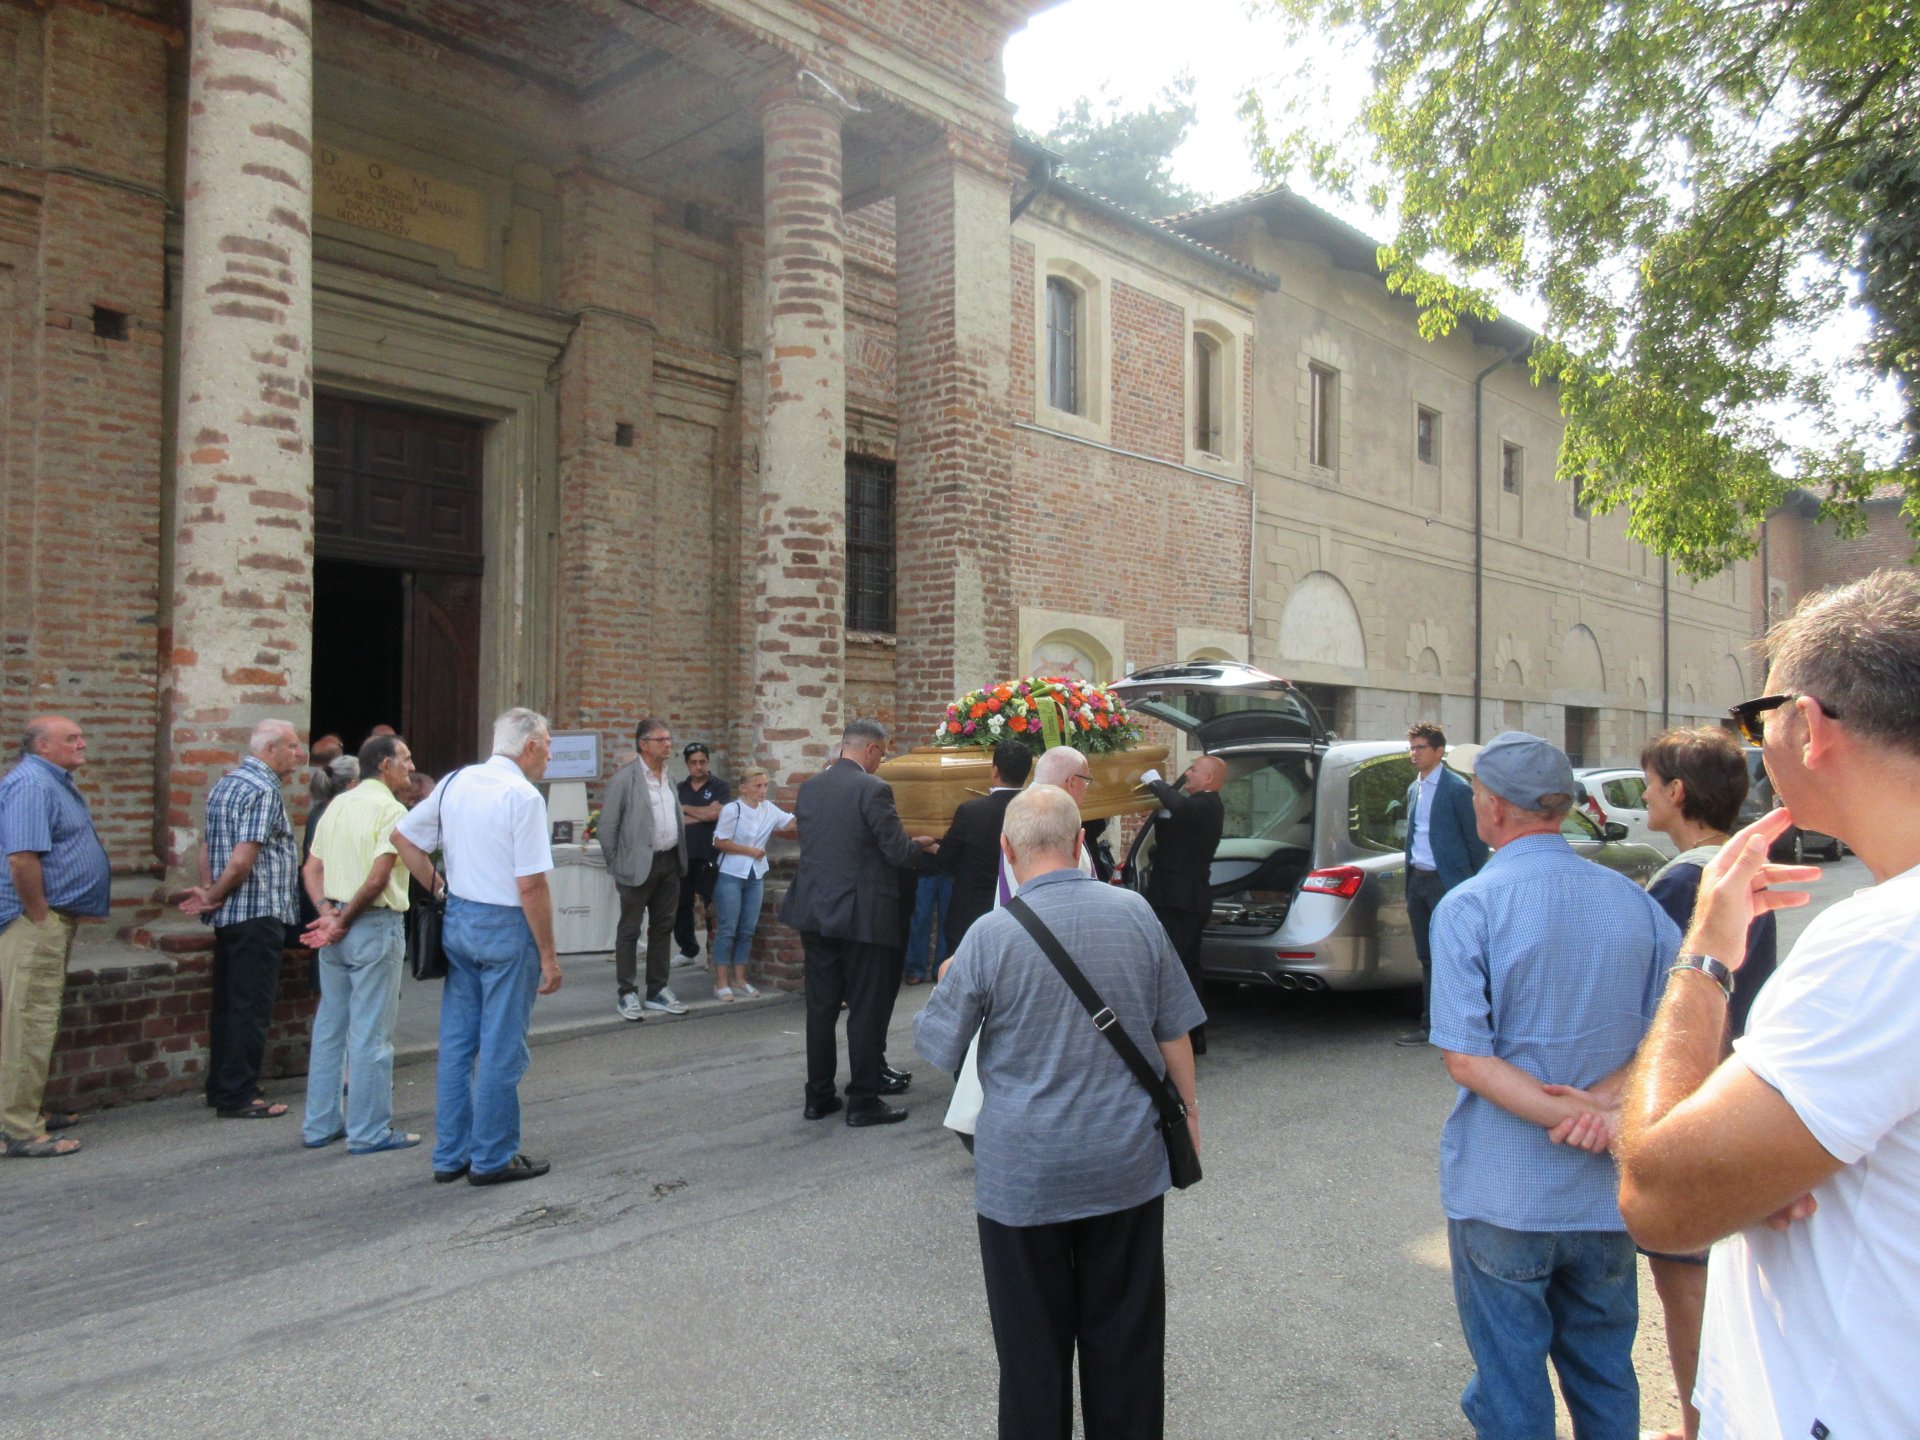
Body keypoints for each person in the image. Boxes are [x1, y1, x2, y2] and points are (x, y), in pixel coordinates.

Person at [1616, 569, 1920, 1439]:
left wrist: (1706, 954)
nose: (1755, 747)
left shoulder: (1886, 943)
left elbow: (1660, 1193)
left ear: (1811, 727)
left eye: (1759, 719)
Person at [912, 784, 1205, 1440]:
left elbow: (938, 1045)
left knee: (1031, 1357)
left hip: (1024, 1177)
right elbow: (1173, 1032)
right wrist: (1188, 1116)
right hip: (1126, 1163)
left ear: (1006, 852)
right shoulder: (1135, 914)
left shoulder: (989, 935)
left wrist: (949, 973)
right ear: (1079, 844)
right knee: (1127, 1341)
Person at [1428, 730, 1679, 1440]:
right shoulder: (1636, 904)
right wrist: (1602, 1110)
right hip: (1603, 1195)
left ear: (1495, 810)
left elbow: (1468, 1058)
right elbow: (1674, 1030)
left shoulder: (1471, 907)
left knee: (1511, 1391)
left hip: (1503, 1192)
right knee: (1604, 1377)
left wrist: (1561, 1113)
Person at [1630, 725, 1777, 1440]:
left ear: (1677, 792)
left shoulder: (1688, 877)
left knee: (1682, 1279)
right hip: (1734, 1075)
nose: (1647, 795)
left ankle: (1698, 1425)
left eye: (1652, 783)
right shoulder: (1737, 863)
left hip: (1694, 1085)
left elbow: (1654, 992)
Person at [394, 708, 562, 1186]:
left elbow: (403, 837)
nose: (550, 753)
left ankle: (451, 1154)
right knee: (501, 1048)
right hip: (506, 923)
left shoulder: (454, 782)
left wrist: (438, 887)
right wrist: (549, 955)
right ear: (528, 746)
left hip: (462, 917)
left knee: (458, 1044)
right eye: (547, 744)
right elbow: (531, 885)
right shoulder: (523, 796)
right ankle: (492, 1156)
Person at [777, 718, 934, 1126]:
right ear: (869, 750)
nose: (880, 762)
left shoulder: (810, 788)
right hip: (862, 914)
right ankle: (863, 1101)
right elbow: (896, 852)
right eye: (881, 754)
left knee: (822, 1008)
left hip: (814, 909)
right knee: (865, 1008)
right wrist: (920, 848)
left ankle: (819, 1097)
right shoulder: (873, 788)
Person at [297, 734, 434, 1155]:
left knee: (330, 1028)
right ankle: (369, 1130)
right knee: (372, 1033)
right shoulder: (390, 809)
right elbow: (377, 880)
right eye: (406, 759)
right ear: (385, 764)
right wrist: (342, 920)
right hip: (371, 923)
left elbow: (312, 867)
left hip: (336, 920)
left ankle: (320, 1123)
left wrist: (327, 912)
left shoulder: (339, 803)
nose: (411, 768)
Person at [179, 719, 307, 1120]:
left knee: (229, 1005)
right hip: (256, 913)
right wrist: (212, 895)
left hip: (232, 915)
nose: (299, 754)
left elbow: (207, 845)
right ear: (269, 750)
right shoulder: (263, 788)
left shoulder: (226, 783)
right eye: (291, 746)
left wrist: (208, 892)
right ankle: (239, 1094)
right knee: (250, 1006)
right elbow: (241, 861)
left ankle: (223, 1085)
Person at [0, 717, 111, 1158]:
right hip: (34, 922)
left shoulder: (50, 781)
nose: (82, 743)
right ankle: (18, 1129)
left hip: (46, 920)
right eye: (72, 738)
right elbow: (22, 858)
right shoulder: (33, 784)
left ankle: (23, 1111)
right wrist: (41, 915)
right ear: (42, 746)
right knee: (28, 1020)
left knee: (29, 1018)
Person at [1396, 721, 1488, 1047]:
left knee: (1458, 955)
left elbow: (1476, 842)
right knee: (1427, 956)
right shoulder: (1414, 788)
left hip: (1447, 883)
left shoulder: (1456, 789)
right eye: (1412, 747)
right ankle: (1431, 1025)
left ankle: (1469, 1025)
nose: (1414, 754)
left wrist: (1473, 885)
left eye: (1421, 748)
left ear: (1438, 751)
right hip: (1417, 881)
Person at [599, 717, 689, 1020]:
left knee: (663, 928)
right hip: (636, 865)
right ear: (643, 744)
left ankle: (657, 989)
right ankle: (626, 992)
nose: (668, 745)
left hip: (668, 861)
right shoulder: (626, 779)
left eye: (668, 740)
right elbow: (607, 827)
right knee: (629, 930)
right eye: (661, 740)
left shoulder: (669, 777)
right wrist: (617, 865)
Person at [1140, 753, 1225, 1056]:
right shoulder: (1195, 809)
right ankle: (1193, 1036)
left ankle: (1170, 1037)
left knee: (1168, 969)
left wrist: (1155, 783)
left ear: (1209, 780)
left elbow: (1183, 809)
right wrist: (1161, 814)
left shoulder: (1208, 805)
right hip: (1179, 898)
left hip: (1183, 902)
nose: (1188, 773)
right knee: (1187, 970)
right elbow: (1173, 838)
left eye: (1194, 769)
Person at [936, 740, 1033, 953]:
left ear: (995, 771)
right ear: (1027, 772)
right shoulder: (1038, 812)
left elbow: (945, 859)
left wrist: (927, 846)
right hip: (1023, 914)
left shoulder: (971, 811)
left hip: (971, 914)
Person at [709, 766, 795, 999]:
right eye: (757, 786)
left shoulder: (768, 809)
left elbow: (790, 823)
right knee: (727, 928)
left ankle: (740, 978)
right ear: (743, 787)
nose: (762, 790)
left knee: (747, 928)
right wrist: (749, 851)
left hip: (755, 875)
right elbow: (720, 841)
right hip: (732, 873)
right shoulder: (732, 809)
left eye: (765, 785)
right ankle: (721, 980)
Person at [674, 742, 729, 964]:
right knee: (682, 904)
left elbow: (716, 816)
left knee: (711, 903)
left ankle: (711, 950)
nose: (698, 767)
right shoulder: (679, 789)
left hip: (710, 855)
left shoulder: (720, 787)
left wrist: (684, 809)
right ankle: (688, 949)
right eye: (693, 763)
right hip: (684, 854)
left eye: (702, 762)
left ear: (708, 762)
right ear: (687, 765)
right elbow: (674, 819)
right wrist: (701, 812)